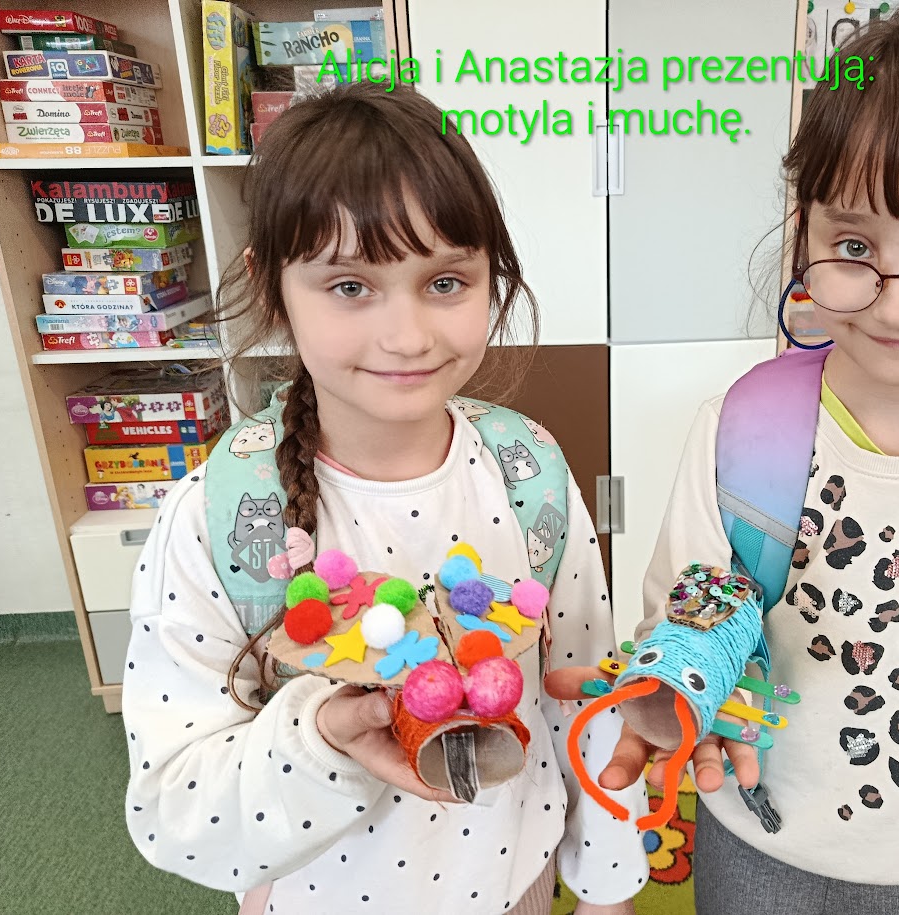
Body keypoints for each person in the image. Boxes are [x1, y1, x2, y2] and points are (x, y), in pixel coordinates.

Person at [550, 9, 899, 915]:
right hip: (754, 837)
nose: (898, 306)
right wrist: (673, 685)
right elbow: (682, 613)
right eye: (854, 247)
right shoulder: (742, 431)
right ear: (802, 225)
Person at [122, 81, 646, 915]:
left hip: (514, 883)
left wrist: (608, 886)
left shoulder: (529, 472)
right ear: (272, 288)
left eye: (445, 282)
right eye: (349, 286)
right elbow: (174, 808)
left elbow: (583, 689)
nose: (407, 337)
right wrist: (322, 735)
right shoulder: (218, 514)